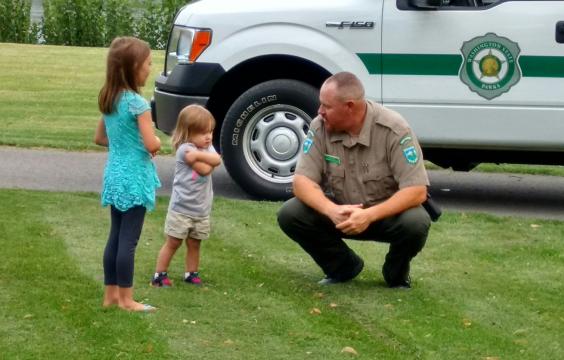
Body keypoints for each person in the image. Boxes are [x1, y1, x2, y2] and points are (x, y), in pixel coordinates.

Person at [277, 72, 431, 288]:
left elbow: (416, 190)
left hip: (384, 215)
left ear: (349, 106)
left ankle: (396, 273)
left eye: (326, 106)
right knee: (291, 213)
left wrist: (368, 216)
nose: (320, 111)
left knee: (416, 222)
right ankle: (342, 267)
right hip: (342, 214)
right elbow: (301, 181)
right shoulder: (319, 126)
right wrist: (331, 210)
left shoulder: (394, 129)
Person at [94, 36, 162, 311]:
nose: (150, 68)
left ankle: (110, 295)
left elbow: (100, 138)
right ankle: (127, 299)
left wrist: (124, 143)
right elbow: (151, 143)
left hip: (114, 174)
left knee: (115, 235)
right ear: (134, 67)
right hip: (135, 177)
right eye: (147, 63)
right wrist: (155, 142)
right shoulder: (138, 104)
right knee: (129, 241)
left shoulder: (110, 98)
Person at [151, 104, 221, 287]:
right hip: (182, 208)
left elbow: (218, 159)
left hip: (201, 209)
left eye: (210, 132)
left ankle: (191, 273)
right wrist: (207, 158)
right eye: (202, 133)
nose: (208, 137)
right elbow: (205, 169)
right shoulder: (185, 150)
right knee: (173, 242)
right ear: (187, 133)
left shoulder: (204, 148)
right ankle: (159, 274)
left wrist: (204, 155)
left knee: (195, 243)